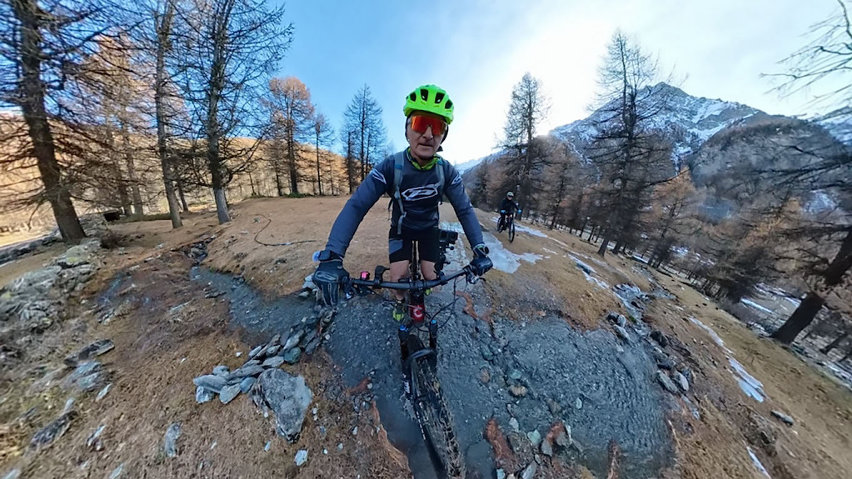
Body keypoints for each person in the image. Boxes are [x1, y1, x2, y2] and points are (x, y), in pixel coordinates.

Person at [312, 83, 492, 339]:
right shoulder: (390, 166)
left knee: (431, 276)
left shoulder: (447, 171)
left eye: (437, 127)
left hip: (429, 230)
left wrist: (479, 249)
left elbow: (464, 209)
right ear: (407, 130)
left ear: (443, 137)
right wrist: (332, 256)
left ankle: (419, 292)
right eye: (420, 123)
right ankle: (399, 302)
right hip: (401, 231)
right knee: (398, 281)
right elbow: (357, 205)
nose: (428, 134)